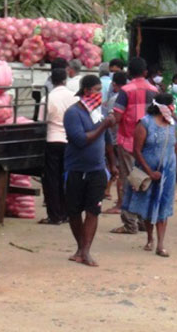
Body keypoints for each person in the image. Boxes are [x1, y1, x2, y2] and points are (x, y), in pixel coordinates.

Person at [63, 75, 115, 266]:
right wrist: (104, 125)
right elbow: (82, 140)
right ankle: (80, 248)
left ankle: (85, 251)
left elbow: (107, 139)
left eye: (100, 90)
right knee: (75, 212)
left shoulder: (98, 111)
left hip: (97, 170)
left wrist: (113, 163)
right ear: (85, 91)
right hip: (76, 169)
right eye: (95, 90)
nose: (99, 94)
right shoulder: (73, 113)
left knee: (93, 211)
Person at [126, 93, 177, 257]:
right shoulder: (144, 123)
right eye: (170, 105)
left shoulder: (172, 124)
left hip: (168, 173)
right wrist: (149, 172)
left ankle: (160, 244)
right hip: (148, 173)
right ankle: (150, 238)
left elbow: (176, 147)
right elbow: (136, 150)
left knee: (163, 206)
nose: (173, 108)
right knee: (148, 205)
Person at [110, 58, 158, 235]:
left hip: (128, 142)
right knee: (145, 181)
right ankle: (144, 221)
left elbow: (117, 117)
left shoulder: (125, 91)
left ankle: (129, 223)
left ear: (129, 72)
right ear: (145, 73)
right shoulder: (154, 91)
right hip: (148, 145)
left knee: (128, 181)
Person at [39, 68, 74, 225]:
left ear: (52, 81)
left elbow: (41, 121)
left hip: (52, 140)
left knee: (52, 180)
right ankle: (67, 213)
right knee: (67, 178)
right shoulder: (73, 97)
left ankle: (54, 215)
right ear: (65, 80)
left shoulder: (48, 97)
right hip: (69, 142)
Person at [101, 72, 127, 212]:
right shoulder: (129, 95)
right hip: (128, 139)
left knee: (117, 169)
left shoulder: (116, 99)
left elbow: (111, 119)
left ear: (114, 84)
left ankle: (120, 203)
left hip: (116, 139)